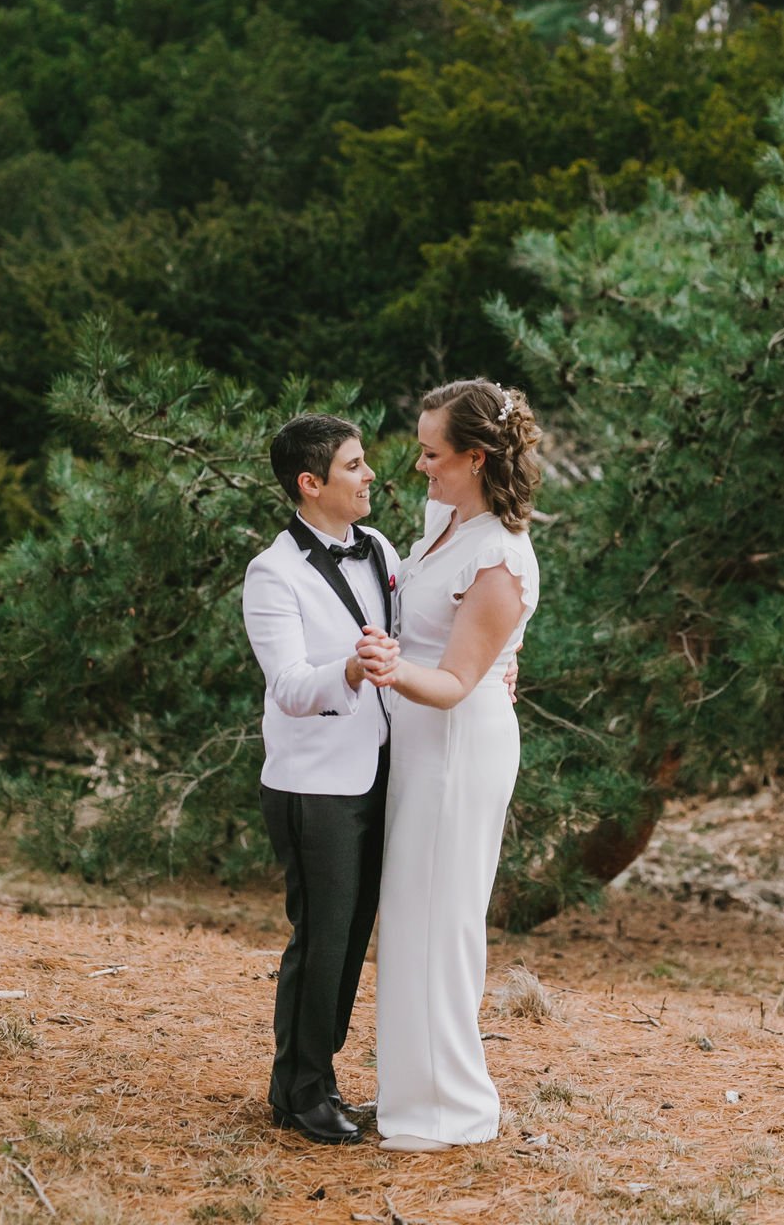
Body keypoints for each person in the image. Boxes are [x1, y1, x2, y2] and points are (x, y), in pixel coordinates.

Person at [357, 379, 541, 1153]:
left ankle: (449, 1112)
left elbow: (460, 681)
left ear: (476, 456)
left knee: (441, 921)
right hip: (420, 744)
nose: (420, 466)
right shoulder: (446, 521)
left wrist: (383, 668)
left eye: (434, 453)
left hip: (458, 742)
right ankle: (412, 1093)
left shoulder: (499, 557)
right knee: (410, 917)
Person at [242, 413, 400, 1146]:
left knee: (354, 930)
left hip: (380, 770)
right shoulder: (274, 573)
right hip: (314, 784)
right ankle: (300, 1091)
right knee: (323, 937)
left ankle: (315, 1081)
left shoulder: (380, 550)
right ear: (312, 484)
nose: (370, 475)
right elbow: (289, 685)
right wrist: (347, 669)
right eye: (355, 465)